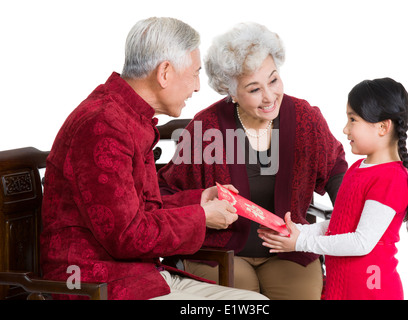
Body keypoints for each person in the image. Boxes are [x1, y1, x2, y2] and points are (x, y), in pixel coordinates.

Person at [40, 17, 267, 300]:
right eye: (195, 73)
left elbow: (137, 208)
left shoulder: (124, 116)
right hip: (95, 285)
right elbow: (127, 235)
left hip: (140, 277)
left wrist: (197, 200)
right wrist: (201, 217)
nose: (197, 87)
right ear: (165, 73)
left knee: (254, 303)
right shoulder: (103, 126)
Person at [157, 22, 347, 300]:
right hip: (222, 251)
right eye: (254, 89)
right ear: (231, 92)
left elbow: (335, 169)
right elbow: (165, 191)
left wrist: (348, 223)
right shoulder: (206, 127)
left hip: (290, 250)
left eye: (273, 80)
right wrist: (203, 206)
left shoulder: (305, 117)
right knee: (244, 301)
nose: (270, 96)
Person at [259, 77, 408, 300]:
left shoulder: (390, 178)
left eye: (353, 120)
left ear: (382, 127)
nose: (345, 129)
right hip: (341, 289)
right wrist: (297, 231)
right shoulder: (358, 168)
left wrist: (301, 242)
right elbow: (341, 225)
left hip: (372, 292)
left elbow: (361, 241)